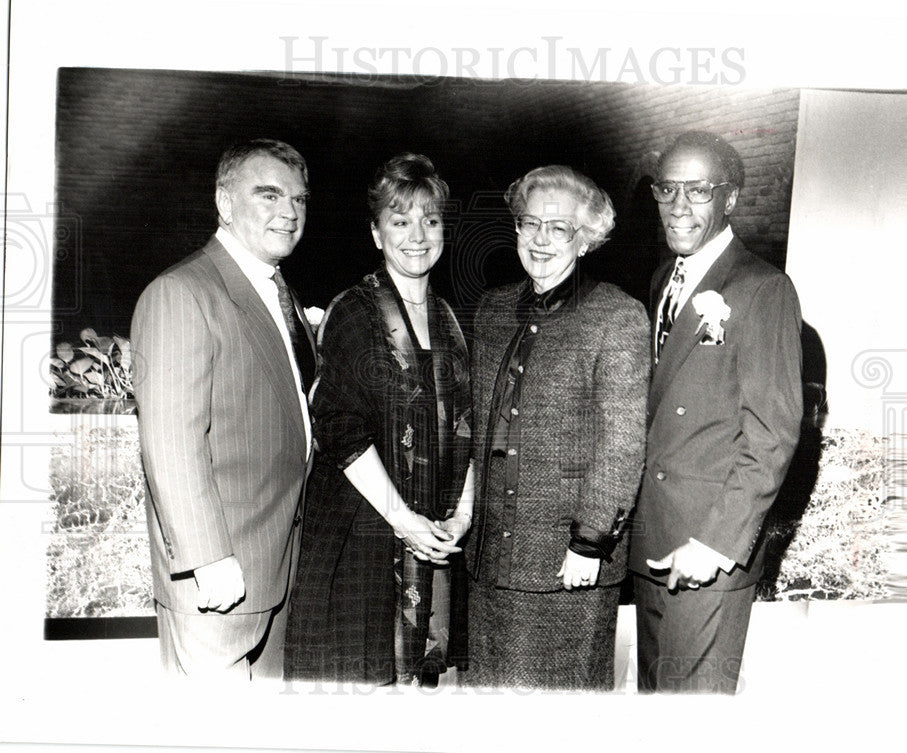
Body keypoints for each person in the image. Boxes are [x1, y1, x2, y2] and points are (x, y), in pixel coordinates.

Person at [284, 153, 474, 686]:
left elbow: (473, 428)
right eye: (400, 220)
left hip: (436, 537)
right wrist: (404, 520)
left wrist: (460, 517)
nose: (417, 235)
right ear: (375, 233)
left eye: (430, 221)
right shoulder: (353, 312)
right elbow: (340, 429)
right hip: (365, 533)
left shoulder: (453, 318)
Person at [131, 138, 315, 679]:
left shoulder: (274, 291)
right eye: (269, 195)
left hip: (274, 564)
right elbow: (170, 443)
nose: (289, 212)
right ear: (225, 203)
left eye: (300, 200)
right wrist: (208, 558)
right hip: (220, 576)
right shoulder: (182, 292)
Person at [628, 131, 803, 693]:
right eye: (667, 189)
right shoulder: (664, 279)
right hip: (654, 540)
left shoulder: (762, 289)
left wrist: (716, 545)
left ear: (730, 198)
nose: (679, 206)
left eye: (699, 190)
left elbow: (772, 435)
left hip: (707, 548)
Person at [465, 165, 648, 690]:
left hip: (567, 562)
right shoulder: (494, 308)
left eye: (560, 228)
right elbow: (481, 431)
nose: (541, 240)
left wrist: (589, 542)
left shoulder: (616, 316)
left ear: (585, 240)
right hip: (492, 559)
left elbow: (622, 441)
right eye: (530, 223)